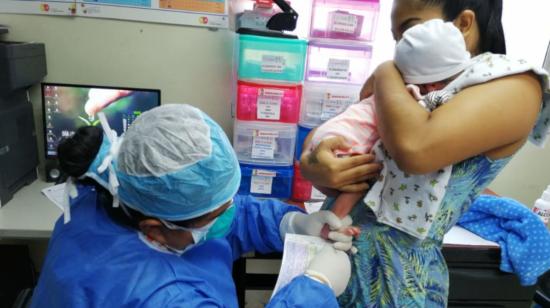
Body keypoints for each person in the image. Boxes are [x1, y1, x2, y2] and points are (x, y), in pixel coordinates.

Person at [300, 0, 550, 306]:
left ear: (463, 24)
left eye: (408, 30)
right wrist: (314, 164)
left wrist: (382, 72)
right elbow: (350, 124)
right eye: (395, 38)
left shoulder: (516, 85)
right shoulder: (412, 84)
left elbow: (415, 149)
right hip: (331, 258)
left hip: (396, 283)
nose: (399, 49)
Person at [31, 104, 355, 307]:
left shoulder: (108, 194)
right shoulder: (164, 297)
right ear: (154, 230)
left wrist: (292, 224)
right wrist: (316, 289)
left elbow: (223, 212)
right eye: (216, 214)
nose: (231, 212)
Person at [312, 19, 469, 240]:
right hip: (347, 139)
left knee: (353, 184)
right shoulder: (408, 94)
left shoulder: (386, 83)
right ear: (433, 85)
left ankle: (336, 222)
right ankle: (332, 226)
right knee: (358, 185)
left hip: (333, 133)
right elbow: (416, 129)